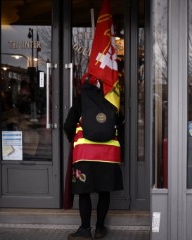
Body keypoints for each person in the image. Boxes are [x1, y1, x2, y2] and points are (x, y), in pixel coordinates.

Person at [64, 79, 123, 240]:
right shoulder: (112, 98)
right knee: (104, 192)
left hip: (84, 154)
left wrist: (72, 138)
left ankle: (84, 230)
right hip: (109, 155)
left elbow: (68, 125)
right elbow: (120, 123)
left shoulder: (81, 99)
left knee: (84, 193)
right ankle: (99, 228)